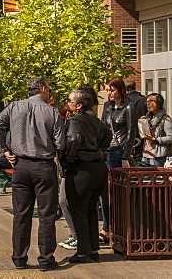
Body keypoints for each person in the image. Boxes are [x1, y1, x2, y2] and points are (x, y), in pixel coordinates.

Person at [0, 77, 65, 271]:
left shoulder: (14, 107)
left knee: (21, 214)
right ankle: (46, 259)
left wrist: (5, 149)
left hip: (21, 165)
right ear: (42, 89)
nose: (49, 92)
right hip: (44, 166)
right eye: (48, 89)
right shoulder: (52, 112)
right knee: (46, 215)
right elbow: (60, 143)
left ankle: (19, 257)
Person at [61, 87, 112, 264]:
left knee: (78, 210)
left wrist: (68, 159)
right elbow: (108, 134)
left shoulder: (76, 120)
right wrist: (99, 150)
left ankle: (83, 252)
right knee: (90, 209)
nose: (67, 103)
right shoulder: (95, 120)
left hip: (82, 168)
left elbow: (73, 139)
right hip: (98, 167)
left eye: (70, 101)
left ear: (79, 105)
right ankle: (92, 249)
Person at [99, 77, 135, 245]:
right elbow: (102, 128)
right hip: (106, 152)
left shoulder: (128, 107)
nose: (109, 94)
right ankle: (106, 227)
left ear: (120, 90)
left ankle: (114, 228)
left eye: (112, 90)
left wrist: (125, 156)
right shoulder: (107, 107)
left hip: (118, 152)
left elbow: (131, 134)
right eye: (107, 90)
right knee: (104, 193)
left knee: (115, 193)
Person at [140, 93, 172, 167]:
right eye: (147, 102)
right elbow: (144, 134)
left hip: (157, 155)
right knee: (145, 177)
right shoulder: (148, 117)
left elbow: (171, 138)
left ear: (159, 103)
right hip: (146, 153)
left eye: (151, 101)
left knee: (156, 177)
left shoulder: (166, 119)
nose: (148, 104)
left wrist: (155, 139)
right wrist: (143, 123)